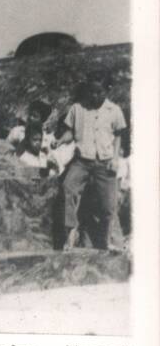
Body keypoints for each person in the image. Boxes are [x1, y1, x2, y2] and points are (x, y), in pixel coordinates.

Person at [55, 70, 127, 250]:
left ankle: (108, 240)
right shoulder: (77, 108)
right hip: (82, 161)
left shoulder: (114, 110)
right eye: (91, 91)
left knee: (108, 204)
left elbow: (118, 134)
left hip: (105, 162)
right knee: (68, 188)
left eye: (99, 92)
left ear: (107, 90)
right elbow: (70, 132)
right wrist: (60, 140)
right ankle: (69, 233)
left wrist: (116, 158)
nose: (95, 95)